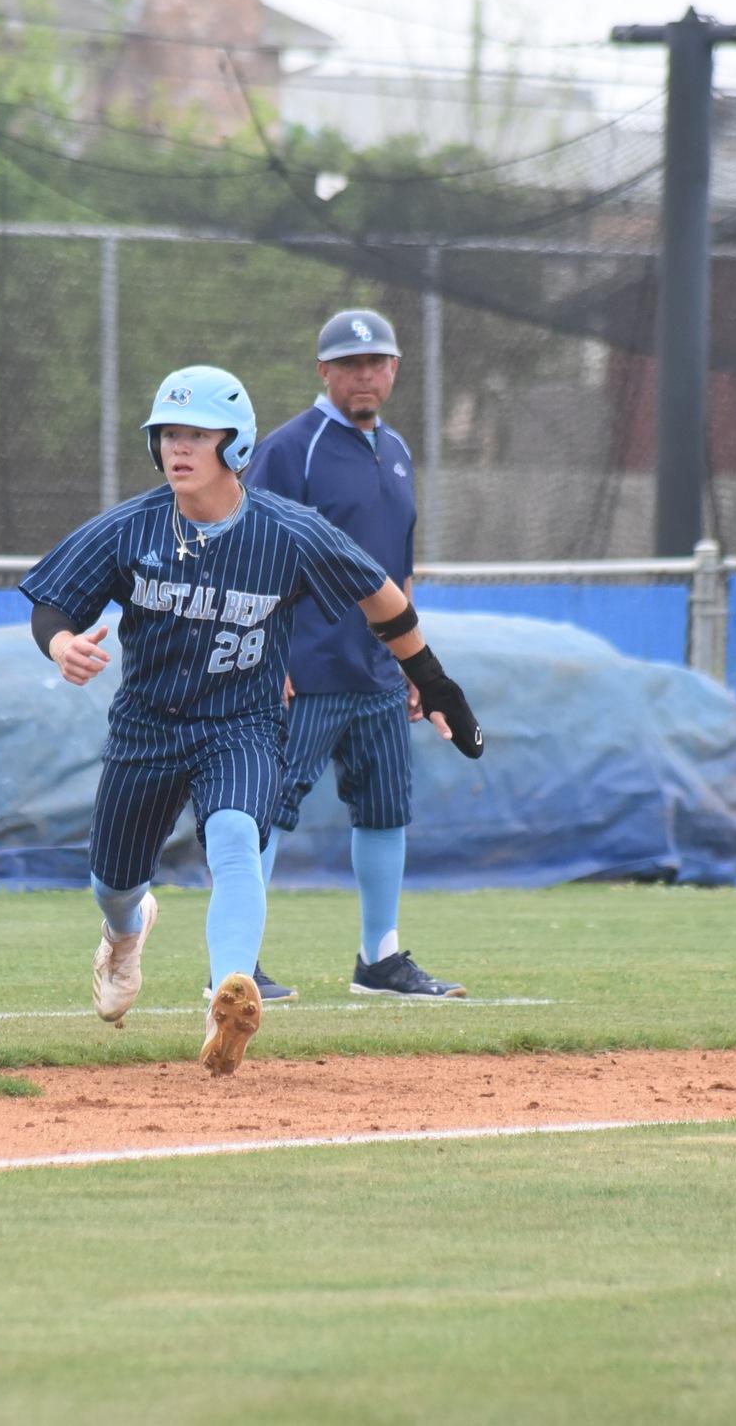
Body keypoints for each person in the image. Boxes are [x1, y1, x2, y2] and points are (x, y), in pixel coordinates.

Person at [20, 365, 483, 1077]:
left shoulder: (286, 532)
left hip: (242, 722)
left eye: (196, 435)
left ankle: (229, 995)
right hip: (146, 725)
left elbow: (380, 595)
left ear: (234, 447)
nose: (177, 448)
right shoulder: (133, 526)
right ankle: (124, 931)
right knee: (114, 880)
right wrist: (61, 644)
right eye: (168, 434)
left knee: (234, 837)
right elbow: (52, 602)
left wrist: (433, 680)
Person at [243, 309, 468, 1000]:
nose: (364, 374)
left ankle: (380, 959)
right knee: (263, 807)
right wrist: (266, 658)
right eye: (349, 363)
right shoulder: (292, 448)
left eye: (376, 362)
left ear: (394, 370)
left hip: (374, 672)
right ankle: (236, 961)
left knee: (383, 810)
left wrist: (413, 666)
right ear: (324, 371)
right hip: (304, 669)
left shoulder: (394, 449)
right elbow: (255, 554)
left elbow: (396, 571)